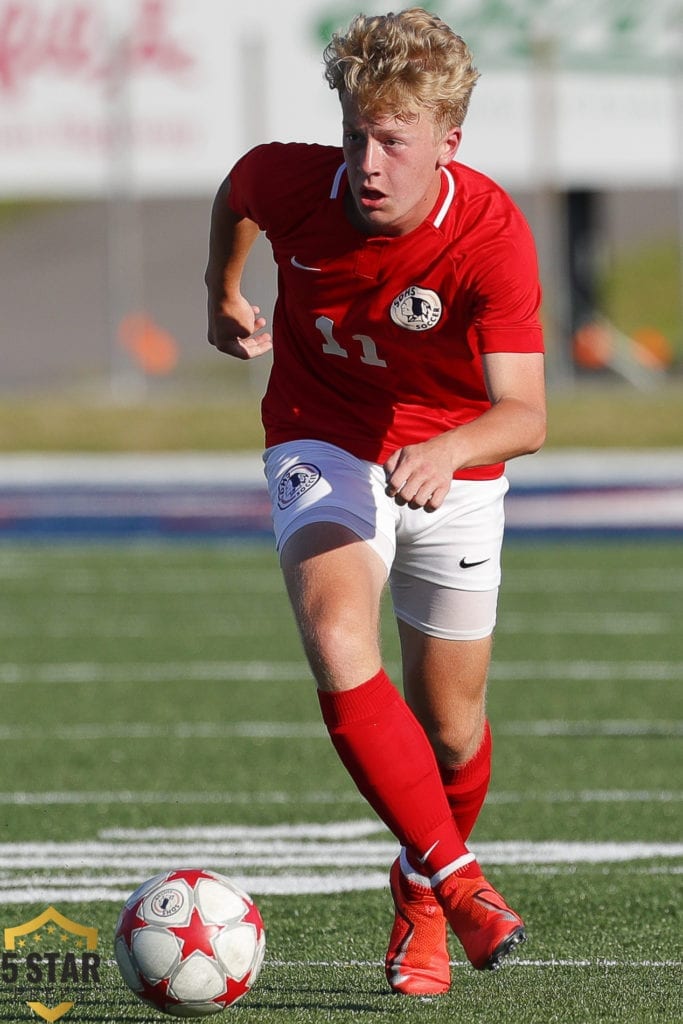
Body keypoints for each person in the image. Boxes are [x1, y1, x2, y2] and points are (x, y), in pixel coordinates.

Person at [205, 6, 546, 997]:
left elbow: (523, 413)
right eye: (357, 133)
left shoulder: (489, 236)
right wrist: (220, 291)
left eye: (392, 141)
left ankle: (415, 889)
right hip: (322, 432)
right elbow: (238, 192)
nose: (367, 161)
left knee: (451, 730)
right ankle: (459, 882)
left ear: (448, 141)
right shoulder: (290, 177)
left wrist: (448, 448)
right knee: (335, 631)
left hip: (455, 461)